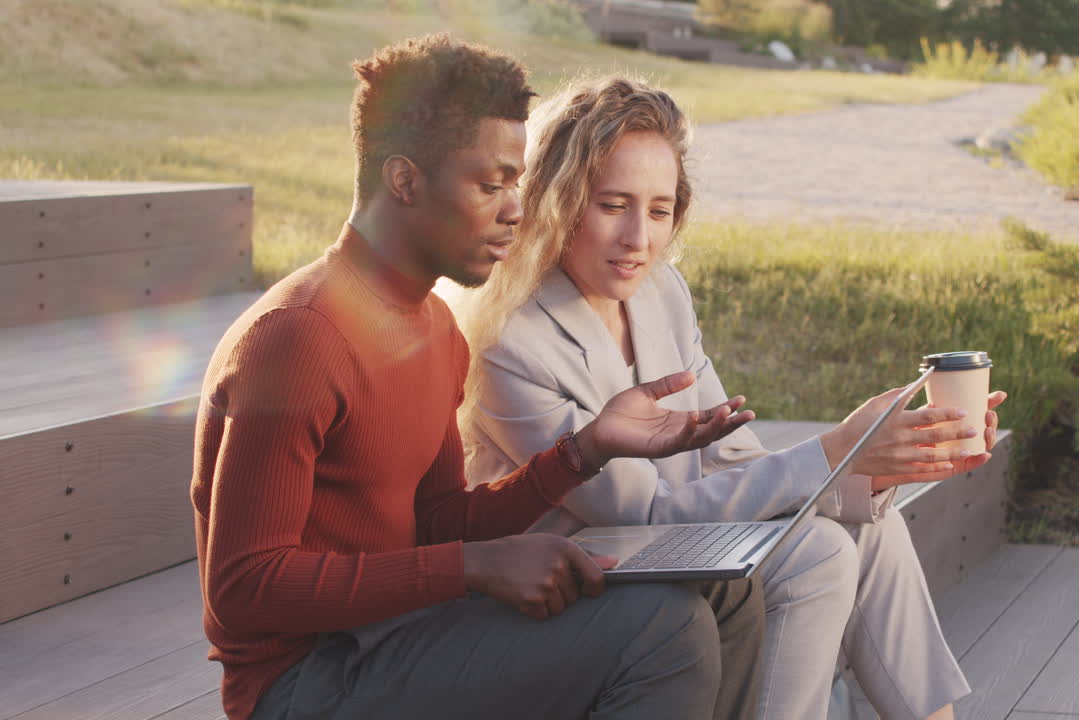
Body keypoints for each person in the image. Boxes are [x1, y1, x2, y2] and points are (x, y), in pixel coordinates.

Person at [191, 37, 769, 720]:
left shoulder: (433, 327)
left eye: (516, 185)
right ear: (404, 181)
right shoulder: (297, 338)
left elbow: (435, 524)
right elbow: (245, 586)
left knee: (725, 592)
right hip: (306, 678)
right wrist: (473, 567)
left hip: (406, 626)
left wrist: (584, 452)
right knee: (663, 632)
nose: (517, 211)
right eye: (490, 185)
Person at [453, 75, 1008, 720]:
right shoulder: (509, 335)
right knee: (819, 551)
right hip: (582, 569)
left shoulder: (661, 294)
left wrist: (871, 464)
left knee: (868, 525)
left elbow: (731, 459)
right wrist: (835, 451)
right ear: (559, 201)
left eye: (660, 211)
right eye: (613, 205)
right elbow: (641, 515)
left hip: (669, 538)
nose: (640, 238)